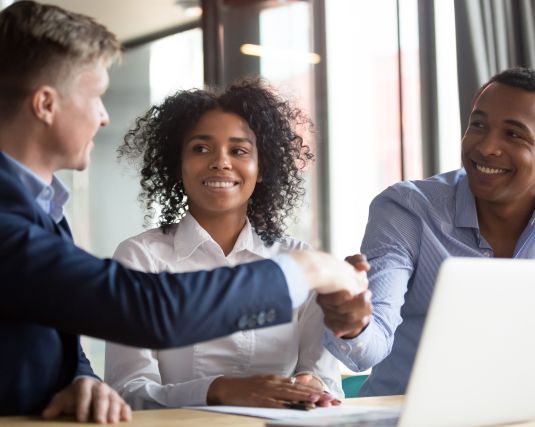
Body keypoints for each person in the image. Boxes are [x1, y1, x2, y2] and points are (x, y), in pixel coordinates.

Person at [0, 1, 368, 422]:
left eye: (239, 150)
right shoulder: (11, 218)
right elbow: (151, 310)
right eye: (97, 96)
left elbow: (58, 336)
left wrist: (80, 379)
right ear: (45, 104)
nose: (104, 118)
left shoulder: (44, 209)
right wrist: (307, 268)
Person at [105, 80, 344, 409]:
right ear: (177, 165)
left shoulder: (298, 260)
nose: (221, 162)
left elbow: (325, 379)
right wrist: (219, 390)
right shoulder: (141, 258)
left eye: (239, 150)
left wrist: (309, 386)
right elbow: (127, 391)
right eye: (201, 148)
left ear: (262, 168)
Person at [318, 67, 535, 397]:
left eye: (514, 134)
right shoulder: (408, 209)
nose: (487, 146)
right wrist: (353, 325)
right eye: (478, 125)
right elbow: (371, 345)